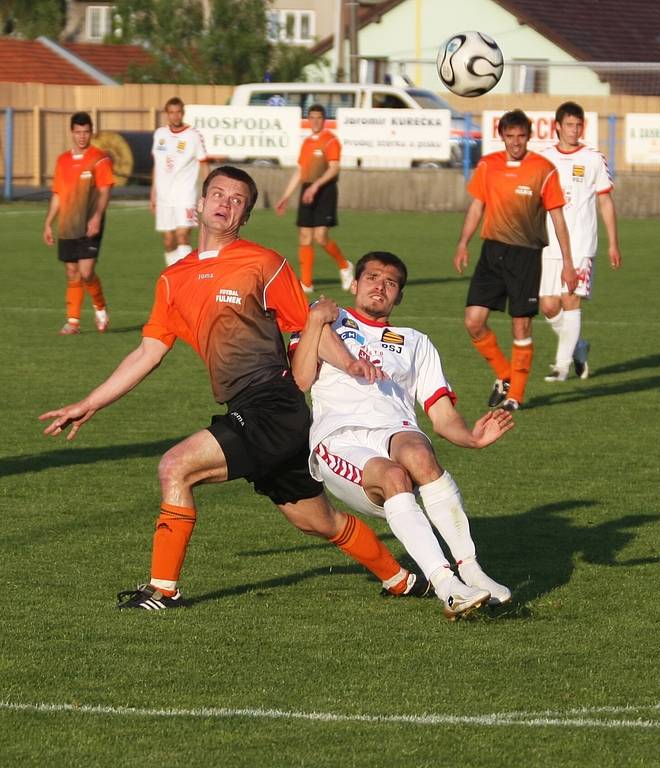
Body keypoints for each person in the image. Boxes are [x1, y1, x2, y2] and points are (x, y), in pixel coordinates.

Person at [40, 166, 427, 611]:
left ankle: (162, 590)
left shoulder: (263, 262)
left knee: (175, 467)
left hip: (274, 403)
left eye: (237, 199)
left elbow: (310, 326)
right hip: (252, 408)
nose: (225, 203)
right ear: (199, 205)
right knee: (317, 520)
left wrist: (351, 362)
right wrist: (91, 402)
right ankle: (401, 580)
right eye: (218, 194)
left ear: (244, 216)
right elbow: (147, 353)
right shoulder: (173, 279)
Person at [290, 252, 515, 619]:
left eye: (390, 282)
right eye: (372, 277)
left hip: (396, 432)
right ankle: (447, 586)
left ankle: (472, 570)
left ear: (399, 296)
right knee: (395, 476)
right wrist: (315, 322)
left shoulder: (415, 342)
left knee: (419, 456)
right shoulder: (328, 321)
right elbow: (299, 381)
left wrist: (471, 438)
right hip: (339, 439)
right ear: (355, 283)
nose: (380, 286)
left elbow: (441, 415)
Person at [453, 109, 578, 411]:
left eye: (521, 136)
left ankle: (516, 395)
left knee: (521, 326)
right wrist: (463, 243)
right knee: (473, 322)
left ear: (528, 136)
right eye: (510, 137)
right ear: (502, 136)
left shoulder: (543, 169)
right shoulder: (488, 165)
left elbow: (558, 218)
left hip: (526, 255)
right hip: (491, 252)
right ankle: (505, 374)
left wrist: (568, 263)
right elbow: (476, 207)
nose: (516, 143)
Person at [540, 101, 622, 381]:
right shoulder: (542, 158)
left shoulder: (593, 158)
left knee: (571, 299)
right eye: (569, 125)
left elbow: (606, 201)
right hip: (548, 245)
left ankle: (561, 367)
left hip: (581, 244)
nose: (574, 130)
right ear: (558, 127)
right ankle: (578, 348)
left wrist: (613, 242)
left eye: (578, 125)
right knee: (549, 307)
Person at [43, 111, 113, 335]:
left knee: (86, 271)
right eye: (78, 132)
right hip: (67, 223)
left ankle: (100, 308)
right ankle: (73, 322)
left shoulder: (99, 158)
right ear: (72, 133)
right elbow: (57, 194)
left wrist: (96, 217)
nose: (82, 136)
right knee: (72, 271)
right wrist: (48, 223)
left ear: (91, 132)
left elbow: (104, 191)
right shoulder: (62, 160)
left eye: (86, 132)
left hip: (90, 222)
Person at [274, 103, 354, 294]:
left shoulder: (331, 141)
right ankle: (307, 283)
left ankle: (344, 266)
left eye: (319, 117)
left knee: (320, 237)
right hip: (307, 189)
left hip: (324, 190)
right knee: (304, 236)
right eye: (312, 117)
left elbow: (334, 167)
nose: (315, 121)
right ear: (308, 120)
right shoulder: (307, 143)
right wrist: (285, 196)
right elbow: (300, 171)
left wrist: (317, 185)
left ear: (324, 119)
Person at [151, 96, 209, 266]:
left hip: (185, 196)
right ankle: (175, 278)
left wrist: (207, 194)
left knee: (182, 236)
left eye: (178, 112)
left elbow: (204, 164)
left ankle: (187, 278)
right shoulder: (160, 134)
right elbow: (157, 165)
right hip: (163, 197)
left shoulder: (193, 135)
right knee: (169, 241)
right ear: (167, 114)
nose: (175, 116)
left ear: (182, 113)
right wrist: (153, 194)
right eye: (171, 113)